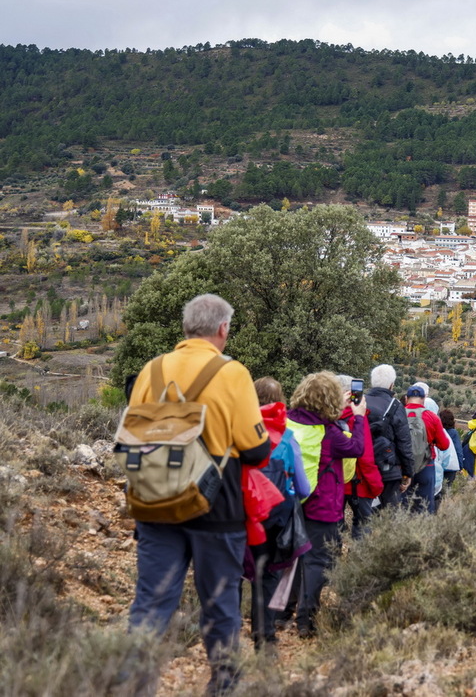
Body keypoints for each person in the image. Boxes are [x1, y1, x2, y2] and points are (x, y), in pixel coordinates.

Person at [125, 294, 270, 695]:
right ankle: (224, 686)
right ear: (223, 329)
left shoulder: (150, 370)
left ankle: (132, 686)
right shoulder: (232, 373)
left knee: (151, 605)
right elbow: (256, 450)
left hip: (154, 499)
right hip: (216, 506)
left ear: (187, 327)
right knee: (220, 606)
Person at [286, 371, 367, 637]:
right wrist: (357, 416)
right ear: (330, 400)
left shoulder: (288, 421)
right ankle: (306, 620)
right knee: (316, 560)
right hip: (321, 504)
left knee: (293, 557)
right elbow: (356, 448)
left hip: (291, 500)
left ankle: (282, 611)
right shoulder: (329, 432)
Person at [249, 377, 310, 649]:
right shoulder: (287, 437)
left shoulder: (240, 430)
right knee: (270, 572)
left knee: (244, 568)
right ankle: (264, 632)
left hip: (246, 508)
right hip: (277, 511)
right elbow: (303, 486)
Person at [335, 374, 383, 539]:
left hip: (333, 484)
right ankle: (356, 562)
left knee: (332, 531)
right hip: (358, 484)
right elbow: (365, 456)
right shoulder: (357, 419)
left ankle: (332, 562)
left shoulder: (326, 418)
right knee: (362, 529)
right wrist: (376, 485)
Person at [364, 364, 415, 509]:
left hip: (362, 466)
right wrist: (407, 473)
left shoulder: (359, 402)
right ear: (392, 385)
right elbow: (404, 442)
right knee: (389, 513)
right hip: (388, 469)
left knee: (362, 514)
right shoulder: (396, 406)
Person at [403, 385, 451, 513]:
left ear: (406, 398)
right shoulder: (432, 417)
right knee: (424, 506)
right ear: (424, 399)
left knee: (402, 506)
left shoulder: (398, 414)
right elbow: (444, 445)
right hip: (426, 465)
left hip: (402, 466)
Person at [442, 408, 473, 479]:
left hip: (439, 464)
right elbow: (458, 450)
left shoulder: (439, 431)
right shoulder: (453, 433)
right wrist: (460, 466)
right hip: (451, 465)